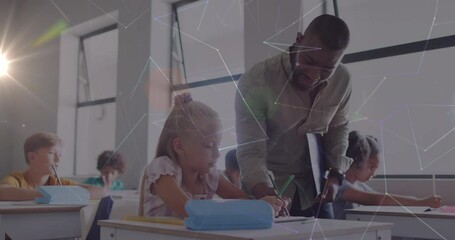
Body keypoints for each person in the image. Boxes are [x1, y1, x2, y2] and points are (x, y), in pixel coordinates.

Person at [235, 14, 352, 218]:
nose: (314, 76)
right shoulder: (257, 80)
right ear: (299, 40)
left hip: (315, 192)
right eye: (308, 61)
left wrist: (336, 176)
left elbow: (338, 127)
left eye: (327, 70)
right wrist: (269, 198)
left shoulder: (342, 79)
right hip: (268, 191)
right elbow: (251, 151)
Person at [139, 93, 286, 218]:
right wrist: (256, 207)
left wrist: (268, 204)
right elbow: (189, 210)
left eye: (219, 146)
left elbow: (243, 200)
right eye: (209, 146)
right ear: (179, 146)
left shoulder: (209, 176)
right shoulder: (162, 168)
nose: (217, 154)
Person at [332, 131, 442, 219]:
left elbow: (384, 199)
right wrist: (420, 202)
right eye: (371, 167)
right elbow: (376, 200)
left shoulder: (360, 186)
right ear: (356, 162)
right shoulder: (340, 185)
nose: (373, 173)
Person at [0, 132, 107, 201]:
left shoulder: (57, 182)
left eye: (60, 154)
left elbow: (100, 191)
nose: (58, 160)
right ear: (32, 157)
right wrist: (48, 195)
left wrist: (64, 196)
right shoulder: (17, 179)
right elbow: (2, 192)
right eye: (51, 153)